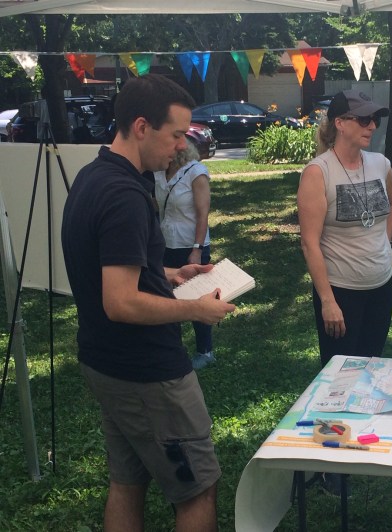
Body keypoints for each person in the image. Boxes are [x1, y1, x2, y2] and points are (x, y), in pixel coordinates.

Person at [61, 74, 235, 531]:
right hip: (147, 372)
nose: (181, 147)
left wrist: (170, 275)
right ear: (141, 126)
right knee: (198, 489)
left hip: (105, 363)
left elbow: (114, 269)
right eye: (176, 134)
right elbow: (120, 302)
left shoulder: (93, 176)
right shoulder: (124, 196)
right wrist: (196, 309)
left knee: (127, 482)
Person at [297, 89, 392, 368]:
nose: (373, 126)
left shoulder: (381, 164)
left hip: (381, 286)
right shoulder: (318, 173)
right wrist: (327, 301)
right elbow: (309, 243)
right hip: (342, 291)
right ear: (340, 123)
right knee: (338, 377)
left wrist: (385, 245)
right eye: (364, 119)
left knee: (371, 367)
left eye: (375, 119)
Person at [154, 141, 215, 370]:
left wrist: (197, 249)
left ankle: (205, 351)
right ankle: (172, 349)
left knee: (198, 297)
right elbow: (159, 206)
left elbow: (203, 212)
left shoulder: (195, 172)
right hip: (166, 243)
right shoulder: (159, 171)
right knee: (167, 298)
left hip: (191, 245)